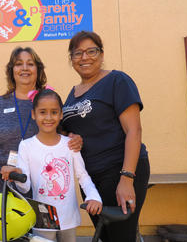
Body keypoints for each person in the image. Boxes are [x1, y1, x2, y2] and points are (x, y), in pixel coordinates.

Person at [61, 31, 150, 242]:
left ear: (101, 54)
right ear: (71, 59)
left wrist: (127, 178)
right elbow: (67, 131)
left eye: (91, 51)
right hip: (91, 179)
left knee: (121, 237)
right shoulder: (72, 94)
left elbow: (134, 130)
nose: (85, 57)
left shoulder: (117, 80)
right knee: (106, 237)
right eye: (77, 53)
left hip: (118, 170)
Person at [0, 89, 102, 242]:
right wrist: (15, 174)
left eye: (54, 112)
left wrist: (94, 196)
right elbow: (25, 186)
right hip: (42, 217)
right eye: (42, 112)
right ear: (34, 114)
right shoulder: (26, 146)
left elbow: (83, 175)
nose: (48, 117)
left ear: (61, 115)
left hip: (68, 217)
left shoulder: (70, 144)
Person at [0, 47, 82, 174]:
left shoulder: (48, 101)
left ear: (38, 69)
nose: (25, 68)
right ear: (12, 70)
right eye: (18, 64)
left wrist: (74, 139)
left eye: (30, 64)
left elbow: (62, 133)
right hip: (2, 179)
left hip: (41, 178)